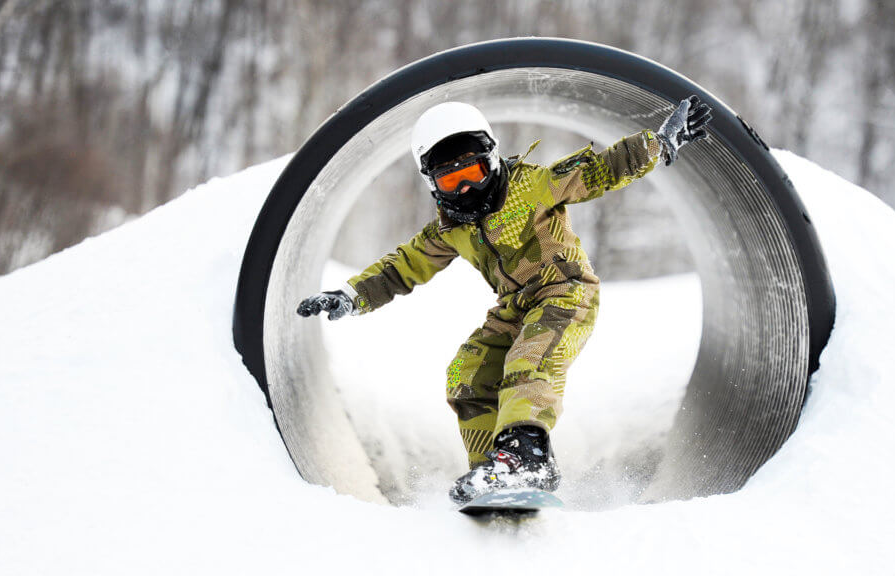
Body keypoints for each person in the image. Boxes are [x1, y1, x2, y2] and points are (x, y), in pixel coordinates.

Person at [297, 97, 712, 505]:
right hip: (516, 305)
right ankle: (492, 467)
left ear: (492, 160)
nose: (465, 188)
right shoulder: (449, 229)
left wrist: (659, 143)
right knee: (469, 370)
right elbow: (401, 267)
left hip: (565, 291)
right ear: (431, 184)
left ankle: (525, 456)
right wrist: (350, 296)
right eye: (449, 180)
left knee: (529, 360)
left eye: (473, 172)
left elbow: (602, 169)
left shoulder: (531, 186)